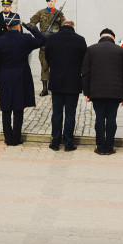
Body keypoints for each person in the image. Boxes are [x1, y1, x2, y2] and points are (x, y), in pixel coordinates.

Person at [0, 17, 46, 146]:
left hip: (4, 77)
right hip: (20, 77)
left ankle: (8, 138)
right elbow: (43, 40)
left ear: (7, 27)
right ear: (18, 26)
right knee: (18, 108)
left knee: (6, 109)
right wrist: (32, 28)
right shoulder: (25, 39)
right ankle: (16, 138)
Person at [82, 28, 123, 156]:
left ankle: (100, 147)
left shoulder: (91, 49)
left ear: (101, 37)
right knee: (111, 119)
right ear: (113, 38)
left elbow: (85, 73)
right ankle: (109, 147)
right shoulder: (121, 51)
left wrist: (86, 92)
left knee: (99, 118)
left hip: (97, 92)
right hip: (115, 92)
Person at [43, 19, 88, 151]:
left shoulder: (51, 39)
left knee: (56, 113)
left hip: (56, 81)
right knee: (70, 114)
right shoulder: (80, 40)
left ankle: (55, 142)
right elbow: (84, 60)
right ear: (73, 27)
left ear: (62, 26)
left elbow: (47, 57)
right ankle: (68, 143)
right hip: (73, 82)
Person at [29, 0, 64, 97]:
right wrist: (38, 34)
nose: (50, 3)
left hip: (55, 45)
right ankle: (45, 89)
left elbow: (64, 27)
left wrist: (56, 32)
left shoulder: (59, 14)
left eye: (52, 1)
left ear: (55, 1)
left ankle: (55, 88)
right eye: (49, 1)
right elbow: (32, 22)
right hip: (44, 44)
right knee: (44, 67)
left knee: (55, 67)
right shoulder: (41, 12)